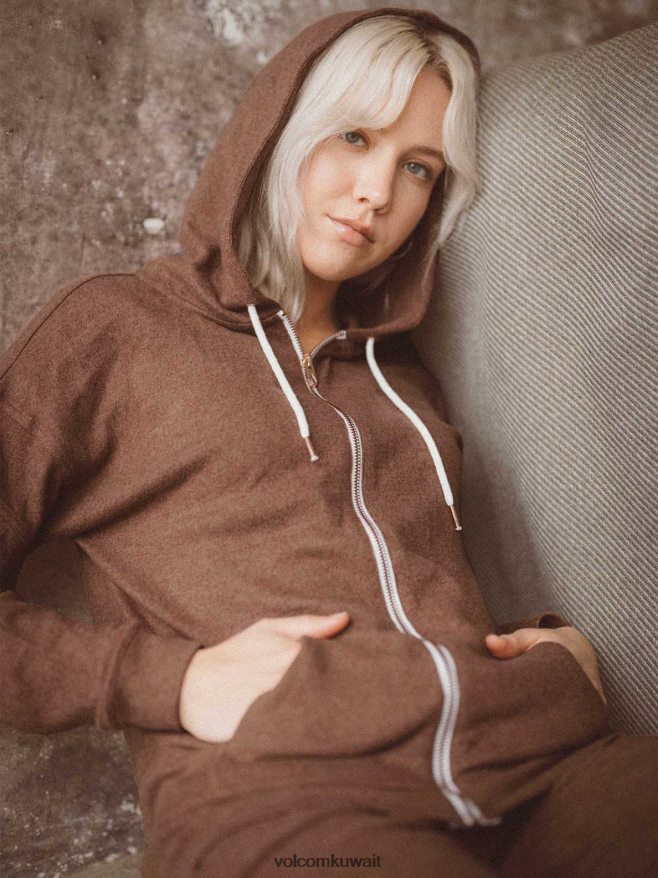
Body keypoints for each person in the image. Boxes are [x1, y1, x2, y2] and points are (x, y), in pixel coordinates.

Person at [1, 7, 656, 877]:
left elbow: (397, 585)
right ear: (280, 126)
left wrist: (551, 647)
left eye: (417, 167)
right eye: (354, 136)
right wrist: (165, 681)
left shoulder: (403, 376)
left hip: (531, 765)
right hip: (285, 800)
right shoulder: (112, 332)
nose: (378, 192)